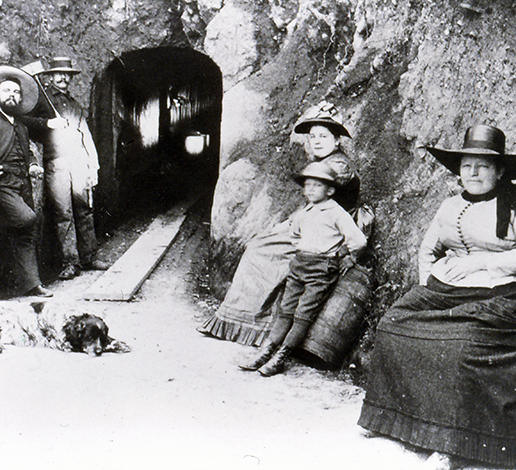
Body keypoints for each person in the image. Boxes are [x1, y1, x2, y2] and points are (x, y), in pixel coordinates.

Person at [358, 124, 516, 469]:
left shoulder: (515, 204)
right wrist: (426, 287)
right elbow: (428, 249)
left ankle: (454, 441)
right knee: (393, 324)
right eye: (466, 165)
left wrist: (483, 261)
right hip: (444, 291)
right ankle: (392, 420)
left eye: (483, 166)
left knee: (463, 347)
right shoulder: (448, 206)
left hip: (502, 293)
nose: (472, 173)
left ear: (500, 170)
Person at [198, 102, 374, 365]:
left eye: (323, 136)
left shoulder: (338, 166)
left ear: (337, 140)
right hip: (317, 220)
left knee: (263, 252)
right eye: (312, 136)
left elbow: (327, 199)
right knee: (260, 244)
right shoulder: (325, 161)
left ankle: (258, 330)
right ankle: (241, 322)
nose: (316, 141)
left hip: (335, 228)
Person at [239, 161, 367, 376]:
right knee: (286, 309)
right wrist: (302, 248)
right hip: (300, 264)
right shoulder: (305, 211)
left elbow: (359, 240)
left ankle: (281, 356)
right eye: (307, 185)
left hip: (321, 268)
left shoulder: (336, 213)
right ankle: (266, 350)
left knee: (303, 313)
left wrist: (348, 256)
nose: (310, 190)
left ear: (330, 190)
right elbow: (295, 233)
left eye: (317, 186)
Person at [21, 57, 108, 280]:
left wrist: (92, 165)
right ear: (50, 76)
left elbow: (85, 135)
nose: (63, 78)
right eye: (58, 74)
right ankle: (71, 262)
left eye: (67, 74)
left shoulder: (75, 104)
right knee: (63, 212)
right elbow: (24, 122)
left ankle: (89, 257)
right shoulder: (42, 100)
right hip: (57, 162)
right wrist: (48, 124)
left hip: (78, 161)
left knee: (84, 208)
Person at [0, 66, 52, 297]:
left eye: (15, 92)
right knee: (27, 219)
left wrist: (32, 164)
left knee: (26, 233)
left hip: (22, 185)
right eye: (6, 90)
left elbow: (27, 150)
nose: (11, 95)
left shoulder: (20, 124)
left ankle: (31, 284)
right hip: (2, 185)